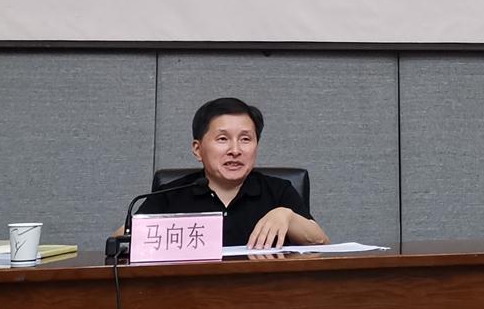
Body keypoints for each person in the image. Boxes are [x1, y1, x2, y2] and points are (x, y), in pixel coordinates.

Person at [116, 97, 329, 248]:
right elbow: (119, 243)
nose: (235, 150)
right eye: (222, 139)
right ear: (197, 149)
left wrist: (287, 216)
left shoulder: (278, 191)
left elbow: (323, 243)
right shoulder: (170, 195)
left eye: (245, 139)